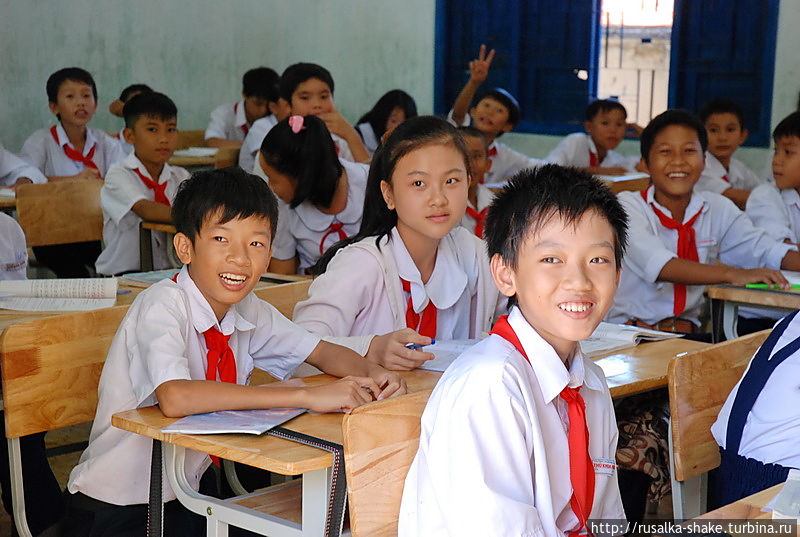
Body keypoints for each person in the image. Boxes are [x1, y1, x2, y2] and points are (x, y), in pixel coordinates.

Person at [65, 167, 406, 535]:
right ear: (185, 247)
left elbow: (321, 351)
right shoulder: (161, 305)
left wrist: (375, 374)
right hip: (122, 505)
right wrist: (306, 394)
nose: (240, 258)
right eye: (221, 239)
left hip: (189, 489)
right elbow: (175, 396)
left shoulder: (248, 308)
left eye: (256, 244)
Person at [399, 164, 627, 536]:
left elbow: (606, 522)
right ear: (506, 274)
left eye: (598, 259)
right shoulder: (490, 387)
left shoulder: (591, 384)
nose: (579, 281)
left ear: (617, 274)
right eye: (551, 259)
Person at [293, 116, 503, 369]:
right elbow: (300, 348)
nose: (438, 199)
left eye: (451, 181)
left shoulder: (475, 253)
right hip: (365, 407)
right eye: (418, 184)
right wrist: (369, 349)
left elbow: (520, 316)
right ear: (388, 194)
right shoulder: (361, 263)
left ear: (469, 181)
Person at [607, 110, 800, 336]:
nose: (678, 161)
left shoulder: (717, 209)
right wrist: (731, 274)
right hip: (628, 335)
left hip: (687, 338)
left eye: (689, 151)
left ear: (704, 161)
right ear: (646, 164)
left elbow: (767, 250)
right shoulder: (626, 207)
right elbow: (661, 266)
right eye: (665, 152)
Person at [20, 67, 125, 277]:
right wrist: (74, 182)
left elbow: (123, 178)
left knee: (112, 266)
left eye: (87, 96)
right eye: (70, 97)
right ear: (54, 107)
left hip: (94, 228)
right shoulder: (40, 141)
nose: (81, 102)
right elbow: (25, 182)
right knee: (77, 274)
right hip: (50, 232)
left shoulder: (106, 143)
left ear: (95, 104)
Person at [260, 115, 369, 274]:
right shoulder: (281, 208)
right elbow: (283, 277)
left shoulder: (369, 183)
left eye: (273, 179)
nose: (270, 187)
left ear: (301, 176)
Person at [95, 92, 189, 276]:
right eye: (152, 130)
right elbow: (146, 210)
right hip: (124, 277)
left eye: (170, 129)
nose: (163, 139)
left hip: (170, 273)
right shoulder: (119, 174)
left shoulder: (181, 176)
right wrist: (200, 215)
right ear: (130, 136)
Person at [446, 45, 543, 183]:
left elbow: (540, 168)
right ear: (472, 112)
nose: (489, 112)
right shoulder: (458, 135)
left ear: (508, 126)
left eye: (499, 111)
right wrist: (474, 82)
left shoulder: (506, 156)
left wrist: (506, 184)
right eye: (486, 105)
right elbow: (458, 114)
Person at [546, 99, 641, 175]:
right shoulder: (576, 141)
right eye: (605, 123)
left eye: (619, 124)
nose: (613, 130)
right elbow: (550, 170)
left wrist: (645, 135)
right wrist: (602, 171)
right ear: (589, 127)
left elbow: (643, 165)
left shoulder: (615, 159)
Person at [204, 67, 279, 148]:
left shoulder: (277, 115)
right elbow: (212, 141)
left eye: (268, 105)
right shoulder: (223, 114)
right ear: (244, 94)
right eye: (258, 104)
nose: (263, 110)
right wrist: (251, 147)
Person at [457, 126, 494, 238]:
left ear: (488, 165)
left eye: (477, 156)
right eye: (463, 155)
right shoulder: (443, 205)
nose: (470, 164)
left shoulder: (492, 202)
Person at [356, 89, 417, 155]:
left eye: (404, 123)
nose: (398, 127)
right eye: (393, 121)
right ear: (382, 117)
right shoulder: (360, 135)